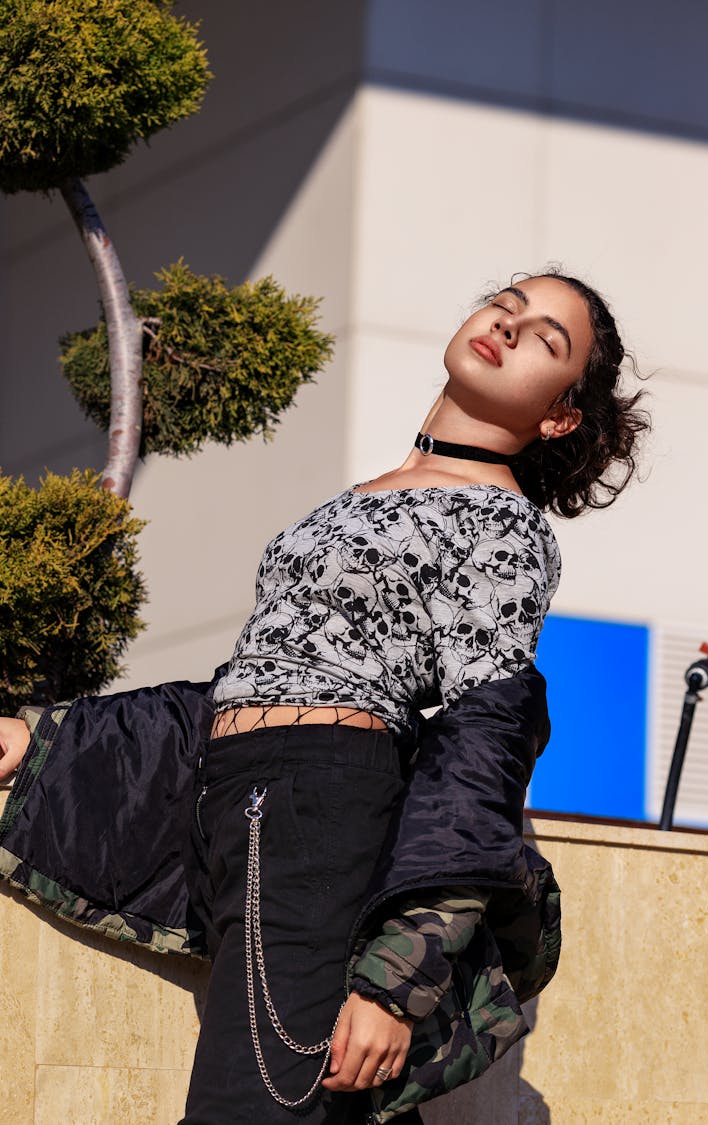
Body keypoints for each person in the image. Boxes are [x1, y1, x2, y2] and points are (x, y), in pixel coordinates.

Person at [0, 269, 648, 1124]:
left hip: (315, 805)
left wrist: (396, 981)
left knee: (260, 1099)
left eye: (547, 339)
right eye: (509, 303)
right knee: (295, 1098)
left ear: (559, 414)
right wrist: (47, 736)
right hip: (240, 795)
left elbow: (482, 745)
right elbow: (265, 675)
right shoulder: (366, 495)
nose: (510, 322)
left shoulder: (502, 527)